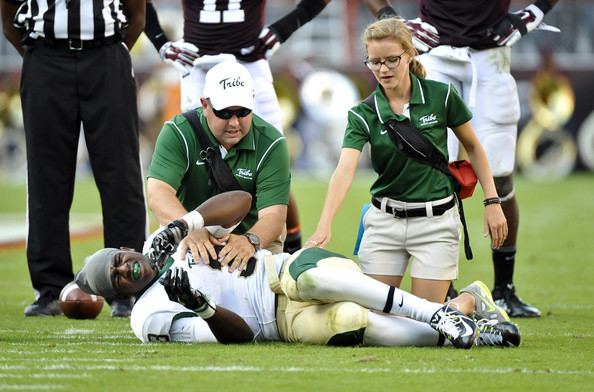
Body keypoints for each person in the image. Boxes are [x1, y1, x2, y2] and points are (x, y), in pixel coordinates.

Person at [75, 191, 520, 349]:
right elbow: (241, 337)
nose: (125, 270)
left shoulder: (162, 241)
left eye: (118, 260)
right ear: (118, 295)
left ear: (127, 248)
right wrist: (199, 305)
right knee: (360, 325)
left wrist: (184, 223)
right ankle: (468, 308)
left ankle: (437, 312)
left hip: (283, 267)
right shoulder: (147, 315)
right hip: (279, 322)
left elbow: (242, 202)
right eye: (115, 278)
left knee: (311, 278)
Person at [365, 0, 559, 317]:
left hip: (491, 53)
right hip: (435, 51)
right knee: (433, 173)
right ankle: (444, 286)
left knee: (499, 174)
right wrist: (392, 20)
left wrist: (533, 14)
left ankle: (505, 288)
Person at [306, 17, 507, 305]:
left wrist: (492, 201)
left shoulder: (442, 95)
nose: (383, 69)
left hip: (436, 222)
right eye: (374, 62)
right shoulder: (363, 113)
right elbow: (344, 171)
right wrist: (325, 224)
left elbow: (473, 147)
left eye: (391, 60)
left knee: (427, 321)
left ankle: (470, 300)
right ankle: (464, 304)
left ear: (410, 54)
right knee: (377, 319)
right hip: (384, 223)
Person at [143, 0, 332, 254]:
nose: (233, 120)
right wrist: (160, 42)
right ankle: (179, 241)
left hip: (250, 60)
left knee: (273, 164)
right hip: (197, 63)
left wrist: (283, 28)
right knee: (190, 171)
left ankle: (290, 249)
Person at [1, 0, 147, 317]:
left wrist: (109, 52)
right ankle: (50, 289)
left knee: (121, 175)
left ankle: (126, 286)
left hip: (106, 55)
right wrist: (44, 56)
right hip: (45, 58)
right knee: (46, 178)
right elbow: (9, 13)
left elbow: (137, 14)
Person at [147, 60, 290, 274]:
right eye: (224, 113)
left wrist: (249, 241)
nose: (234, 122)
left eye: (242, 112)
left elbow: (274, 216)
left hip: (250, 237)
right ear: (205, 105)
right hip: (188, 232)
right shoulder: (177, 132)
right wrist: (188, 229)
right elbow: (158, 193)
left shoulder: (272, 143)